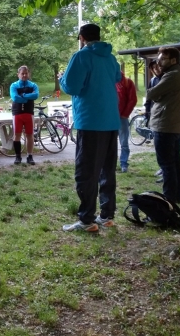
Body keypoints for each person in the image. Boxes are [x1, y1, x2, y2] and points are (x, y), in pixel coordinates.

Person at [60, 24, 121, 232]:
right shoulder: (110, 58)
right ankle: (107, 215)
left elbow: (71, 86)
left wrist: (61, 79)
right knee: (107, 170)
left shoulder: (81, 56)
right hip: (112, 121)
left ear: (82, 37)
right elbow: (117, 78)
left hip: (90, 120)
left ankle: (87, 220)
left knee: (86, 172)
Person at [146, 47, 180, 206]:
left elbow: (151, 94)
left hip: (165, 125)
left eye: (162, 59)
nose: (158, 62)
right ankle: (176, 197)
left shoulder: (172, 75)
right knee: (175, 162)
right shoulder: (178, 75)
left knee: (167, 165)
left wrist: (157, 84)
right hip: (174, 125)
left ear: (173, 60)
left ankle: (169, 200)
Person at [9, 65, 39, 165]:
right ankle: (18, 156)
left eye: (26, 73)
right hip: (17, 113)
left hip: (29, 113)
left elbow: (36, 95)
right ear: (18, 75)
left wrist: (24, 95)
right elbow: (15, 98)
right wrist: (28, 98)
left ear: (28, 74)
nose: (24, 75)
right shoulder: (14, 85)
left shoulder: (33, 85)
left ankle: (30, 156)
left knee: (29, 135)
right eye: (22, 73)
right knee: (17, 135)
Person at [116, 72, 137, 173]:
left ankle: (124, 163)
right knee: (109, 143)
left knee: (124, 143)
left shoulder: (128, 83)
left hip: (122, 118)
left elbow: (132, 100)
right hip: (110, 118)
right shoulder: (110, 82)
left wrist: (125, 114)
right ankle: (111, 163)